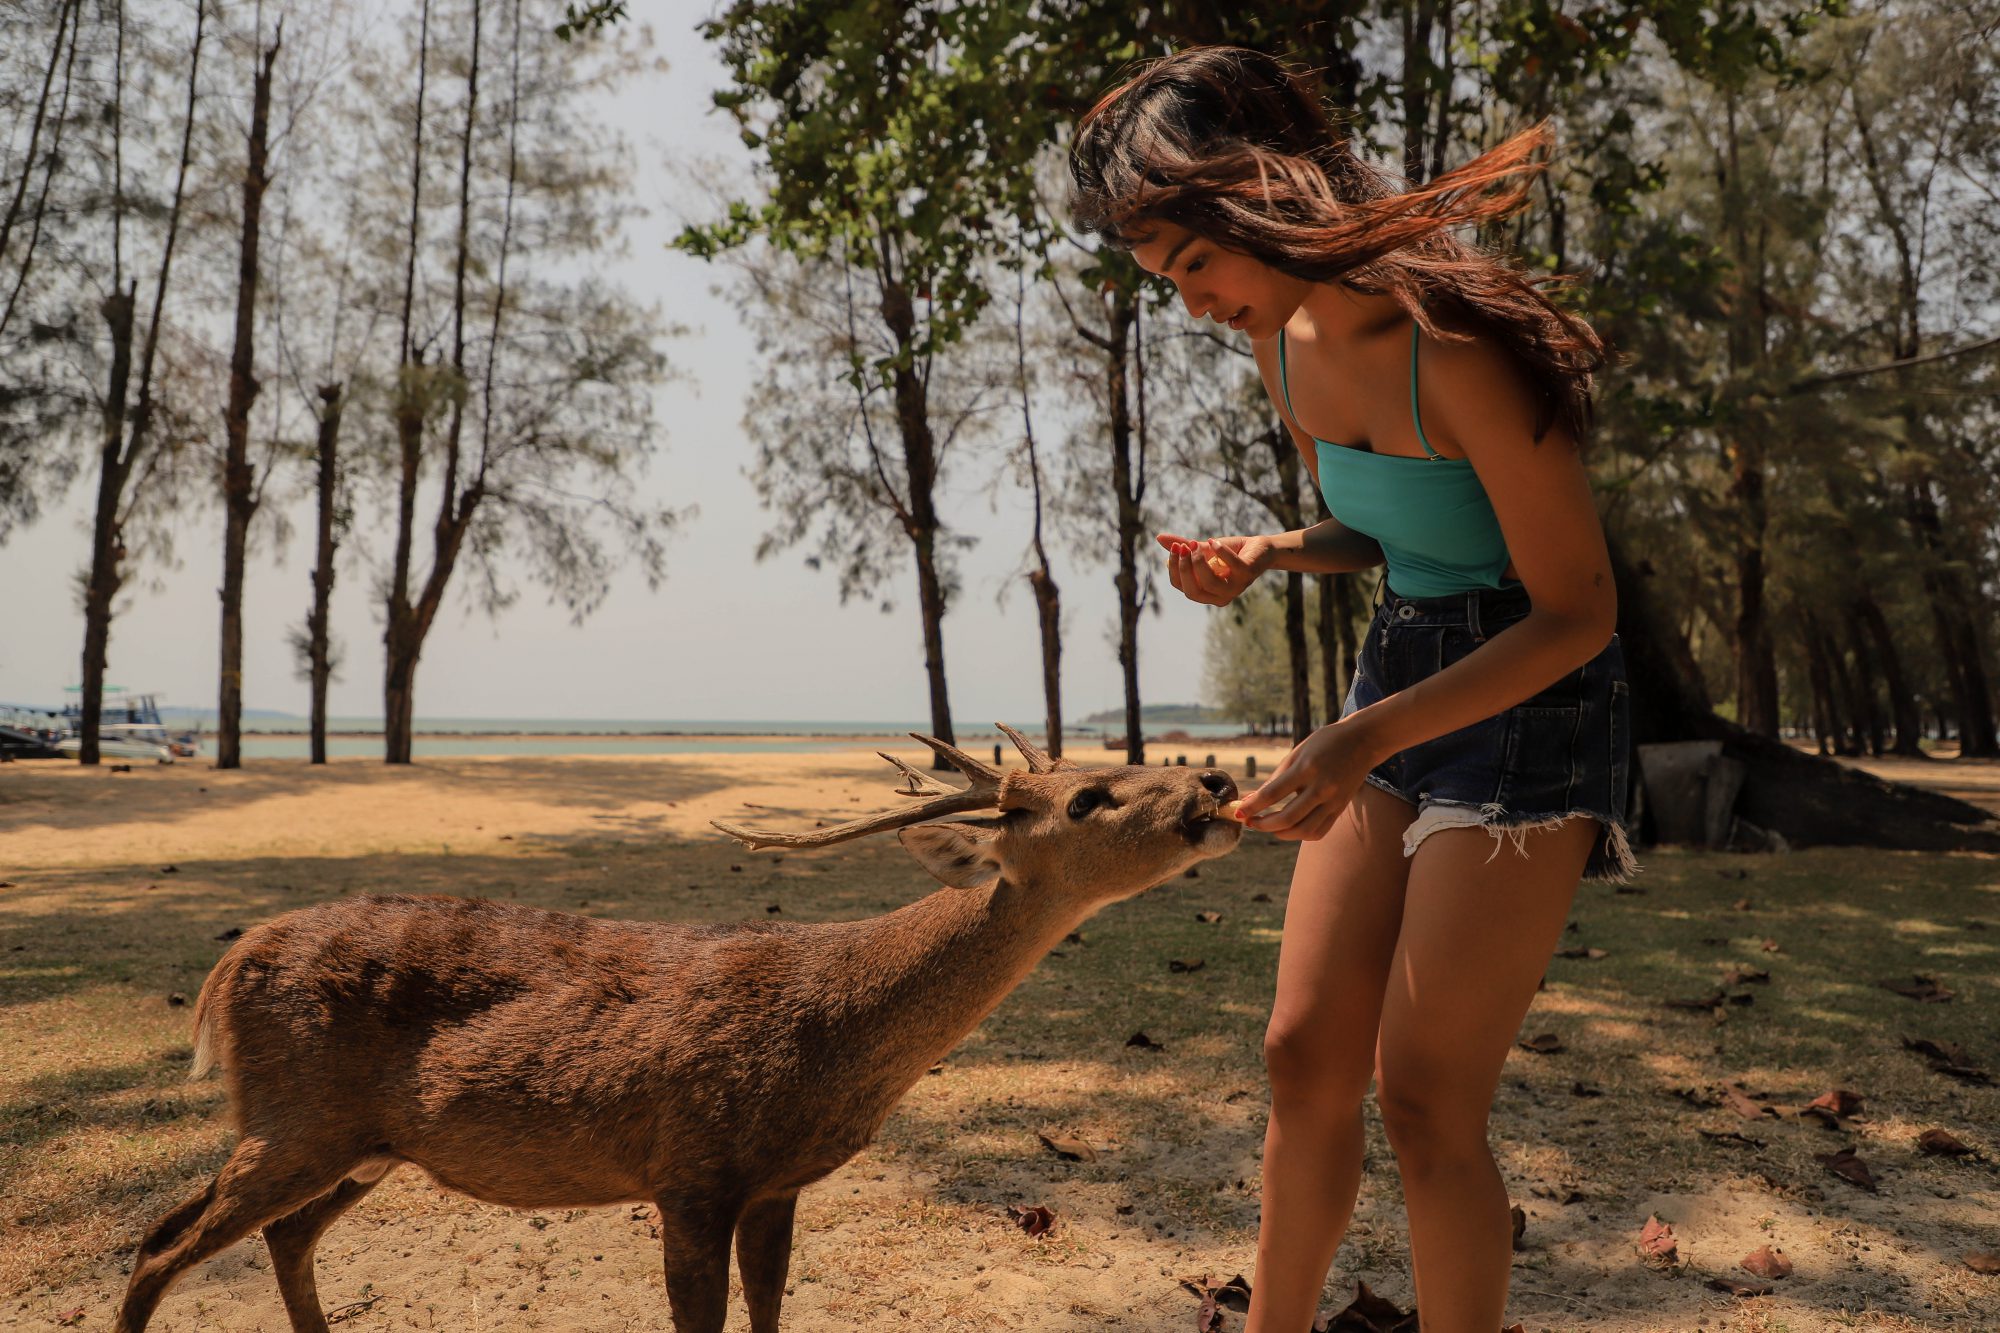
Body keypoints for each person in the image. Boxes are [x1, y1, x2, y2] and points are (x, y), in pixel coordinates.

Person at [1069, 46, 1635, 1333]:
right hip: (1396, 674)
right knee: (1300, 1053)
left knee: (1425, 1096)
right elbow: (1399, 532)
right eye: (1166, 283)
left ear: (1254, 198)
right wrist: (1274, 550)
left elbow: (1576, 609)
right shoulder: (1283, 350)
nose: (1195, 303)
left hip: (1531, 695)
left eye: (1194, 264)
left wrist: (1359, 732)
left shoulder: (1460, 350)